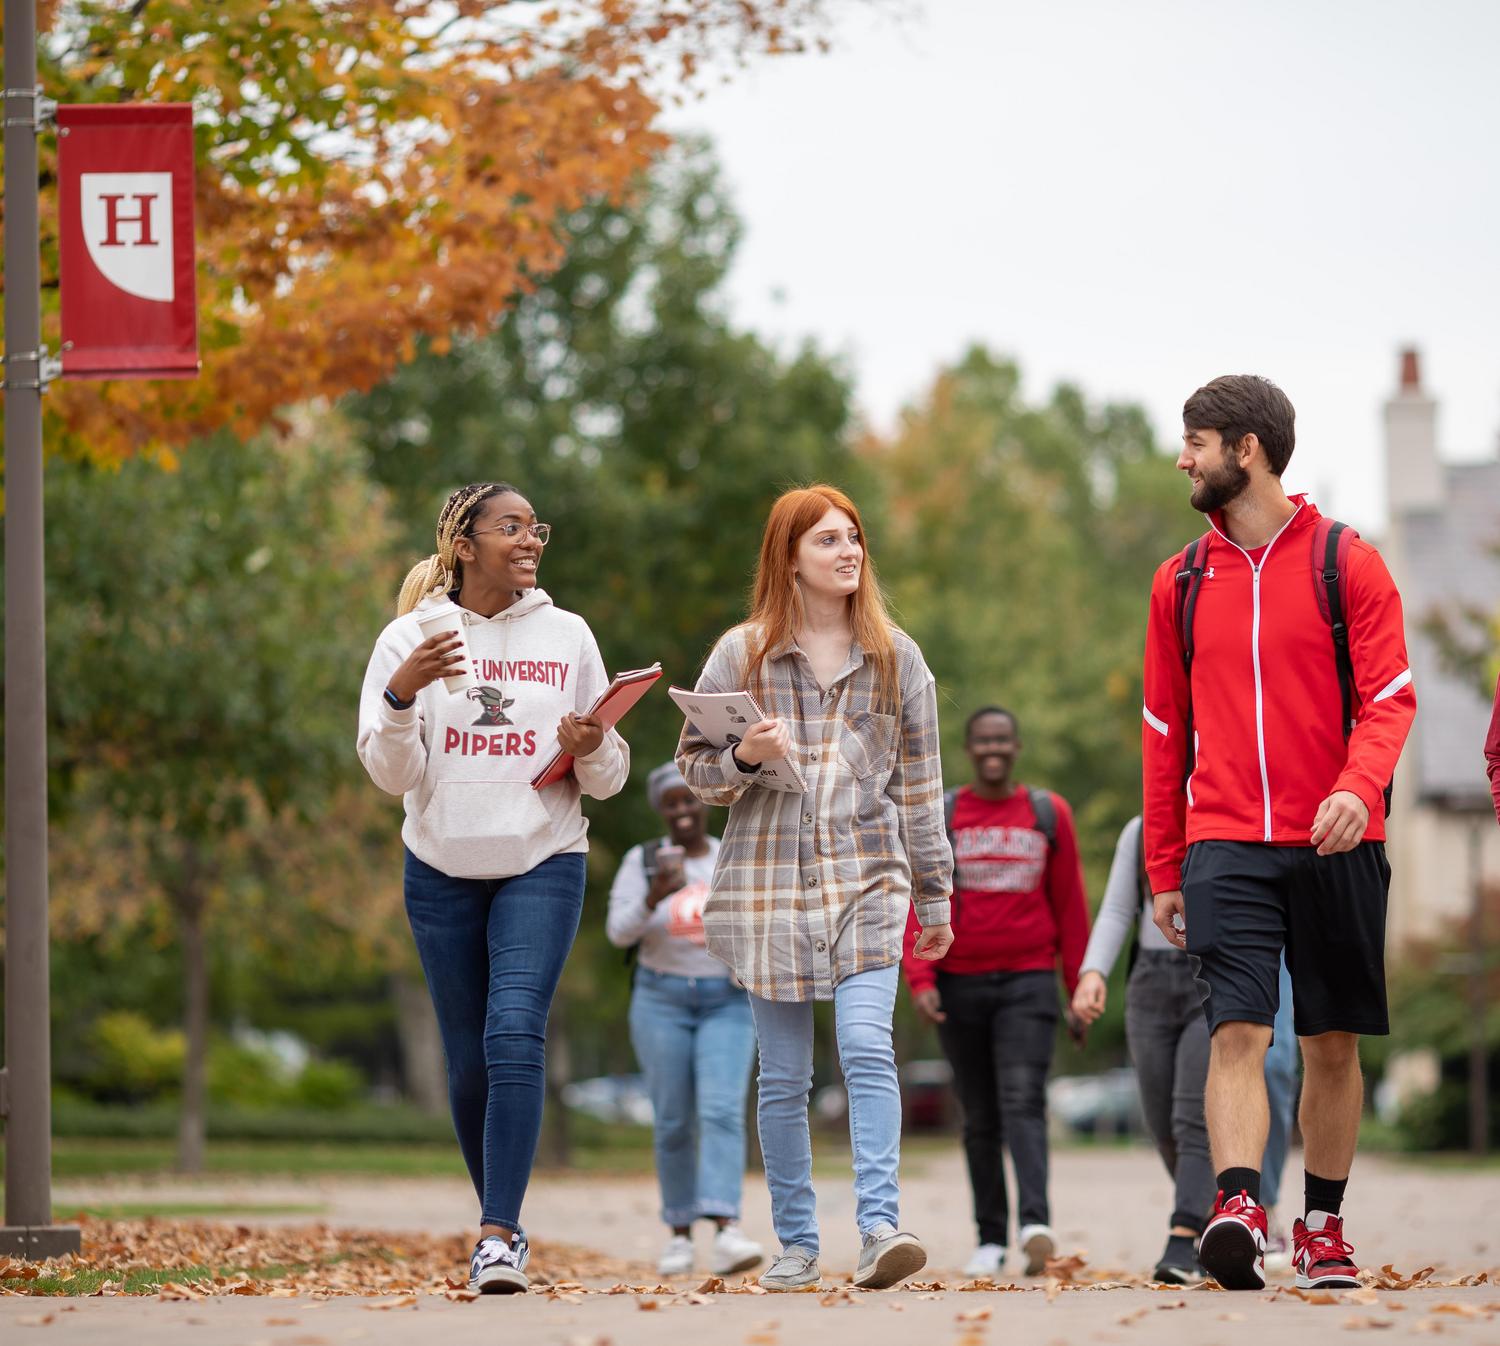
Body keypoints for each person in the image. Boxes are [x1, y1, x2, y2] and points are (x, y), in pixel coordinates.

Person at [1141, 377, 1416, 1292]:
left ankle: (1323, 1227)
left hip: (1338, 839)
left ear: (1245, 450)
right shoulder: (1178, 583)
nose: (1184, 458)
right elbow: (1163, 734)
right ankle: (1237, 1208)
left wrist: (1357, 786)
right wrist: (1164, 864)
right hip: (1225, 842)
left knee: (1331, 1041)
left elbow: (1389, 700)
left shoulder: (1348, 563)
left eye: (1196, 442)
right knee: (1238, 1032)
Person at [675, 484, 954, 1293]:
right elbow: (697, 772)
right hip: (765, 889)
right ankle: (796, 1242)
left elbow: (922, 787)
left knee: (867, 1045)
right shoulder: (742, 655)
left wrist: (934, 897)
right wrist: (746, 760)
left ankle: (878, 1229)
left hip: (869, 880)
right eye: (828, 540)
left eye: (854, 537)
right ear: (788, 556)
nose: (849, 552)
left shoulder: (898, 658)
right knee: (787, 1075)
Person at [358, 481, 630, 1294]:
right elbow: (390, 772)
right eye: (510, 527)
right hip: (439, 867)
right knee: (468, 1059)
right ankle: (501, 1220)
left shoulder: (569, 634)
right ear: (463, 542)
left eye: (534, 527)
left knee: (515, 1035)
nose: (530, 541)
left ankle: (496, 1235)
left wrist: (590, 744)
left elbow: (607, 781)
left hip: (544, 858)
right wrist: (402, 694)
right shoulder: (411, 637)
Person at [903, 705, 1089, 1280]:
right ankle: (989, 1237)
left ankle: (1034, 1225)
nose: (993, 748)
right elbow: (922, 894)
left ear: (1017, 747)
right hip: (960, 982)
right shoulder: (946, 812)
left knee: (1022, 1101)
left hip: (1029, 980)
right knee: (979, 1114)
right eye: (982, 740)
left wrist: (1078, 987)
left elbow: (1070, 907)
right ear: (968, 748)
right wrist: (923, 977)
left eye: (1002, 740)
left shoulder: (1047, 813)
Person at [606, 762, 763, 1279]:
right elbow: (618, 934)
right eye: (671, 802)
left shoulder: (728, 856)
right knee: (673, 1121)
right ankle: (678, 1232)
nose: (681, 810)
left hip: (726, 1001)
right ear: (661, 809)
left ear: (705, 802)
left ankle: (726, 1229)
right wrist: (656, 893)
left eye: (689, 799)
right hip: (660, 1001)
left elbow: (754, 923)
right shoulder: (643, 861)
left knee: (720, 1111)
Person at [1073, 815, 1212, 1285]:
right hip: (1149, 982)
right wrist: (1093, 973)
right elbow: (1116, 911)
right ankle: (1218, 1216)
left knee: (1191, 1116)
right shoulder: (1141, 830)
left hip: (1212, 978)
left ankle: (1183, 1235)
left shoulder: (1230, 820)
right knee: (1159, 1122)